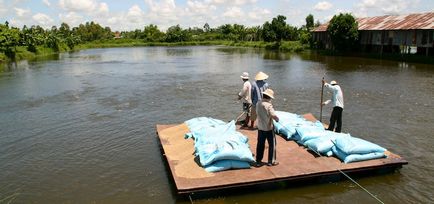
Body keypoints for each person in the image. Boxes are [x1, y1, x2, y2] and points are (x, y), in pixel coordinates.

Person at [255, 88, 279, 167]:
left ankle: (258, 161)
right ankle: (270, 161)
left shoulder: (258, 103)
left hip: (260, 128)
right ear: (269, 97)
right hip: (268, 128)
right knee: (272, 144)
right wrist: (277, 119)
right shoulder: (269, 105)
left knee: (260, 145)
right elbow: (273, 115)